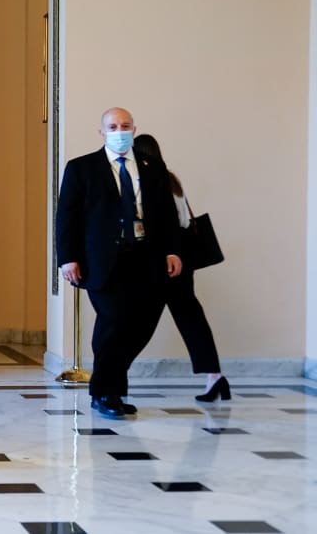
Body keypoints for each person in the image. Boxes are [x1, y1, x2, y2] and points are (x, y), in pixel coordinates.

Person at [56, 107, 182, 418]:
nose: (120, 130)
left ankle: (110, 388)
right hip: (102, 263)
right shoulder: (81, 168)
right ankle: (105, 393)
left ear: (135, 129)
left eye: (125, 125)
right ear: (101, 132)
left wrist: (173, 250)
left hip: (146, 259)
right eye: (113, 126)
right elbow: (67, 218)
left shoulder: (153, 169)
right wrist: (67, 258)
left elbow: (166, 215)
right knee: (114, 322)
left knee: (140, 326)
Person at [133, 134, 230, 402]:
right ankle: (215, 376)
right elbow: (185, 219)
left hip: (164, 256)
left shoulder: (153, 180)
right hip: (182, 255)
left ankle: (113, 376)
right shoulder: (172, 179)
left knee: (139, 320)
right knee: (190, 317)